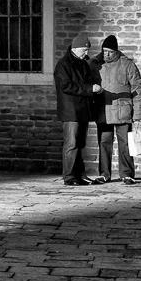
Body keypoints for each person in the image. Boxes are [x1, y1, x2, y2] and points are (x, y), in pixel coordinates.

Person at [93, 34, 141, 184]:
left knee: (125, 143)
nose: (107, 54)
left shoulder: (127, 65)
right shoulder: (96, 64)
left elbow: (138, 90)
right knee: (104, 142)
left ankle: (127, 174)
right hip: (103, 110)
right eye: (104, 51)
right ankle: (104, 174)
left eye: (110, 52)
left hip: (123, 111)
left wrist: (138, 114)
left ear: (116, 51)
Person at [53, 31, 101, 185]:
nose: (86, 53)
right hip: (71, 111)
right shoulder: (63, 65)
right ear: (74, 48)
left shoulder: (84, 64)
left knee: (80, 144)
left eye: (87, 50)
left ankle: (80, 174)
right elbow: (66, 86)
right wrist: (90, 89)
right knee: (71, 144)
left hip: (83, 110)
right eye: (83, 50)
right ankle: (69, 176)